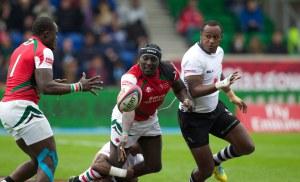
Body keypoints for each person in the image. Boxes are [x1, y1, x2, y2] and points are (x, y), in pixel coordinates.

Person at [0, 16, 103, 182]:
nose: (57, 39)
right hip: (21, 107)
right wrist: (78, 86)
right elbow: (46, 87)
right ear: (46, 34)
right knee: (49, 159)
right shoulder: (43, 50)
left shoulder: (20, 48)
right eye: (55, 35)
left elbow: (31, 81)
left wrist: (51, 83)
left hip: (6, 108)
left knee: (37, 161)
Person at [178, 20, 255, 182]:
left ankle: (215, 162)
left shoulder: (219, 51)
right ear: (201, 36)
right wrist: (221, 84)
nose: (211, 41)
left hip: (215, 110)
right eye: (207, 36)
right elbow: (194, 91)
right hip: (193, 117)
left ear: (220, 38)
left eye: (215, 37)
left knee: (246, 146)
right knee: (204, 171)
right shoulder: (193, 58)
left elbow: (217, 75)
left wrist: (231, 95)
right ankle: (208, 167)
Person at [108, 43, 193, 180]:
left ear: (159, 62)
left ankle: (125, 176)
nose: (148, 63)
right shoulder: (130, 77)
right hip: (127, 119)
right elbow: (128, 108)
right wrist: (125, 133)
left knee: (154, 165)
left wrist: (186, 100)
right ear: (139, 59)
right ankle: (87, 176)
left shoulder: (168, 71)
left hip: (149, 120)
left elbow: (179, 88)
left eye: (153, 59)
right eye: (145, 58)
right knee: (115, 166)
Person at [69, 142, 143, 182]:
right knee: (103, 172)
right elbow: (96, 165)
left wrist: (128, 176)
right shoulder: (114, 147)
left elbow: (133, 178)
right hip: (104, 174)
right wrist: (123, 173)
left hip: (117, 177)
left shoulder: (141, 158)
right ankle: (79, 180)